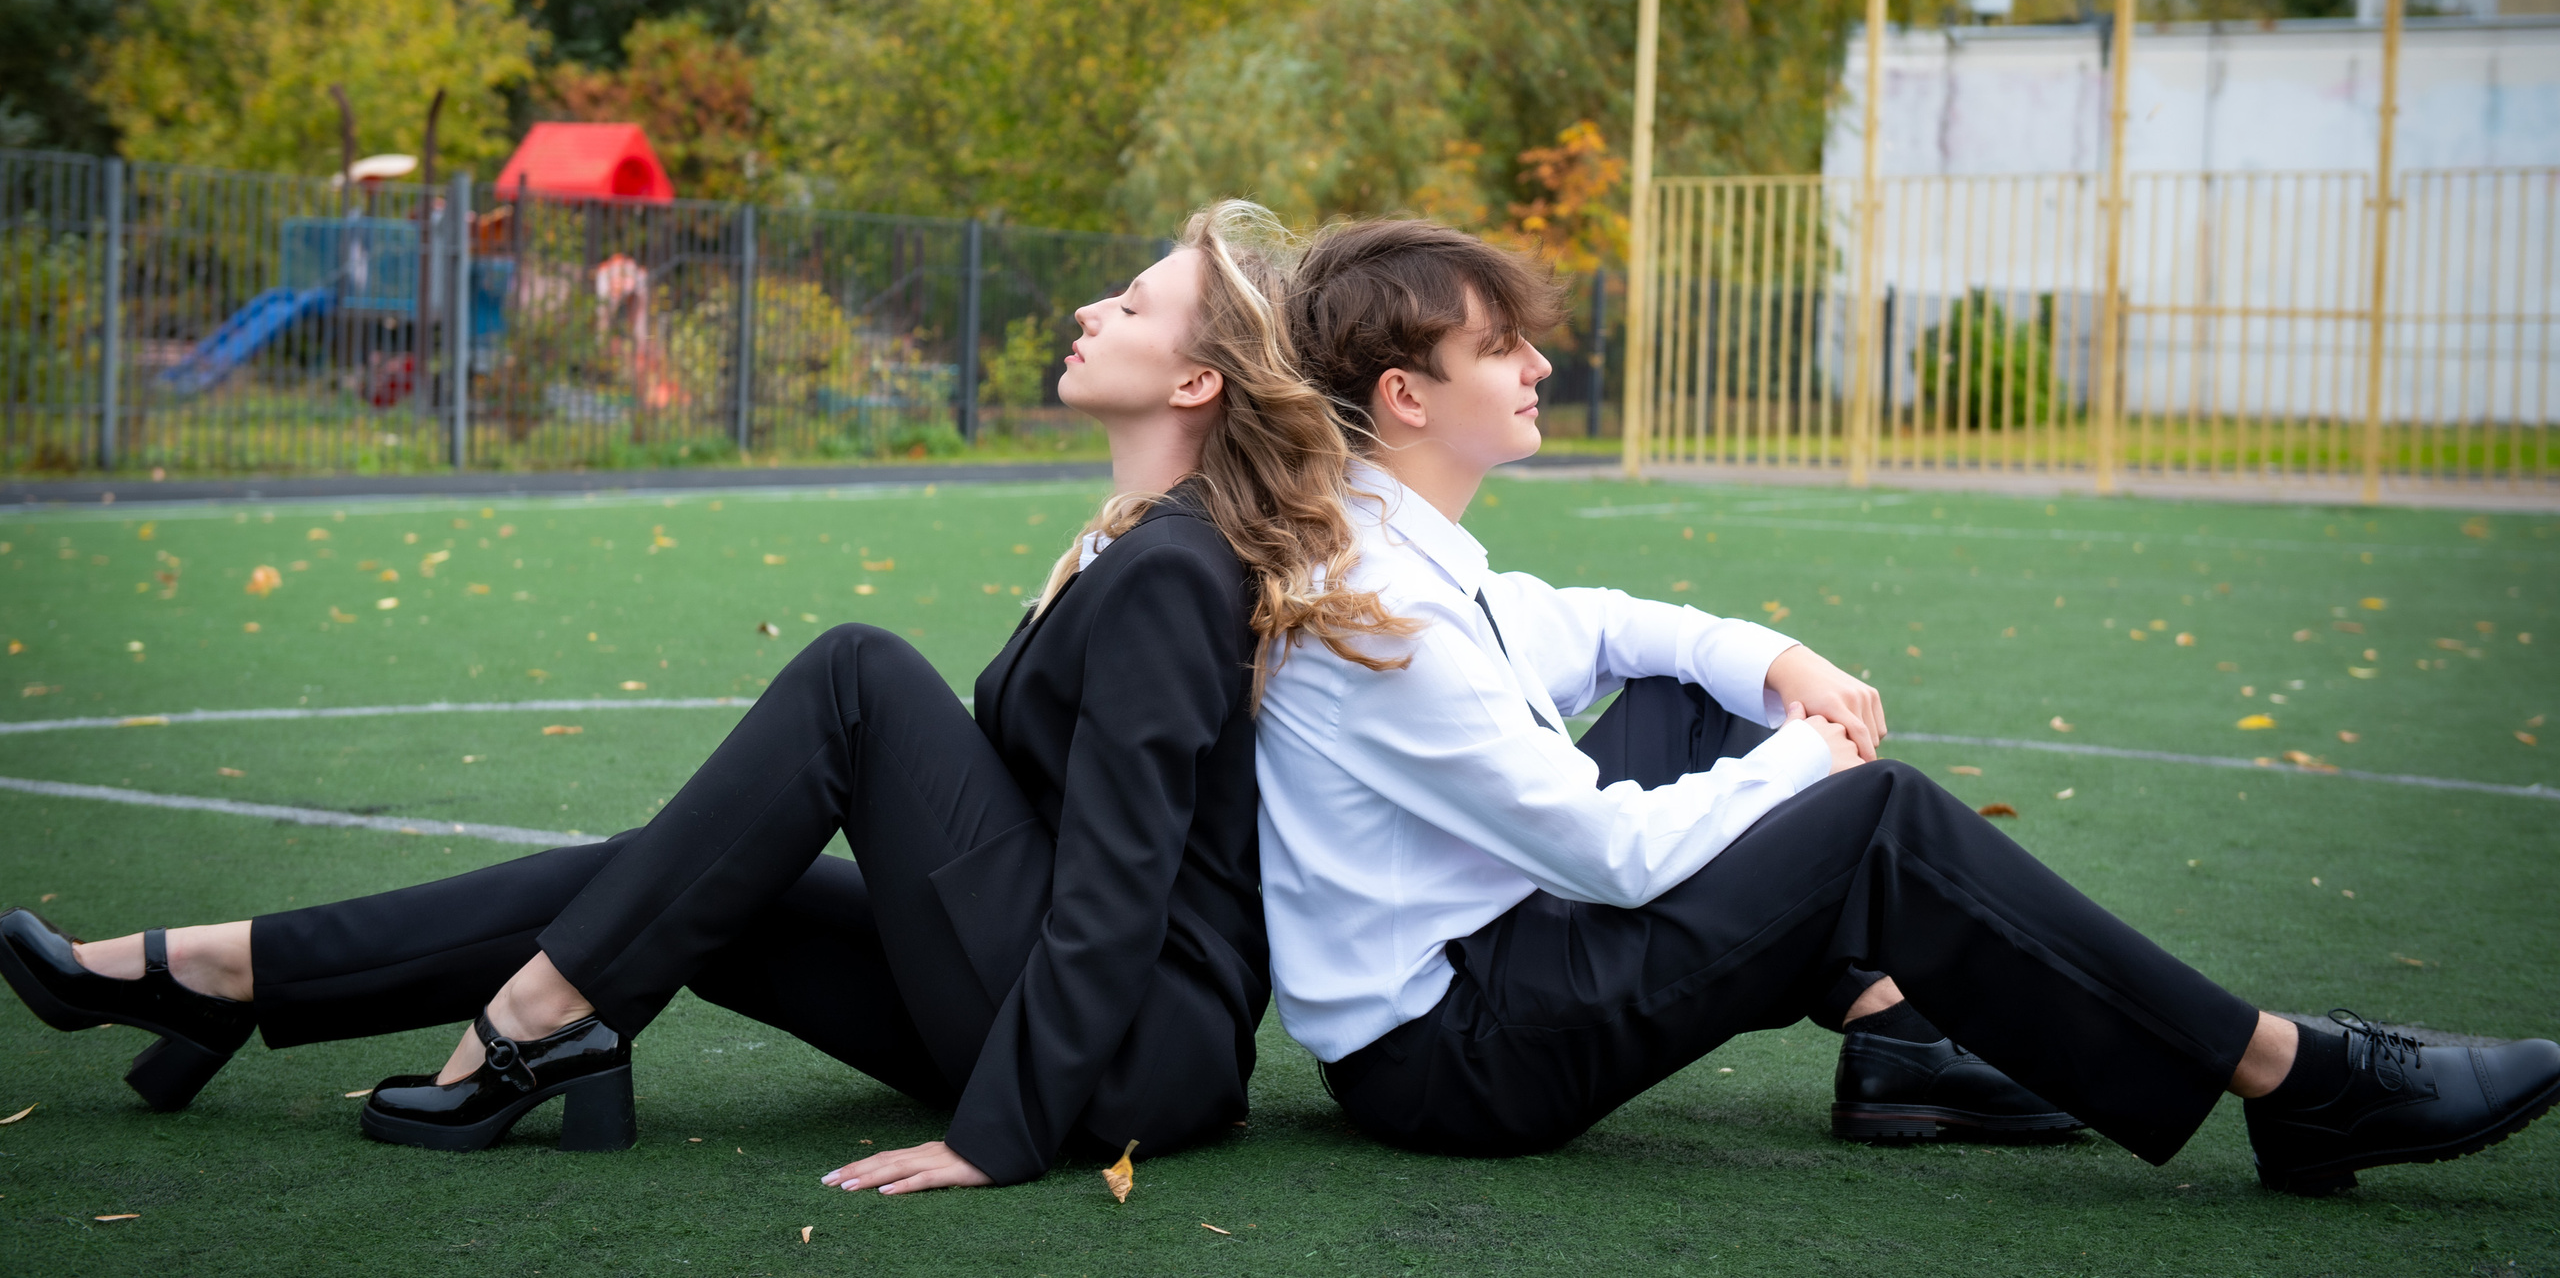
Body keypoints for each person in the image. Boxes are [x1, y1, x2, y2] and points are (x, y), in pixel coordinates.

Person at [0, 202, 1400, 1195]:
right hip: (1040, 993)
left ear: (1199, 376)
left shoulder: (1174, 568)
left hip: (1122, 1054)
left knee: (857, 669)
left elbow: (1120, 880)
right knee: (677, 882)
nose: (1096, 309)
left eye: (1135, 302)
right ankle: (220, 974)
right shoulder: (1130, 537)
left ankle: (535, 1013)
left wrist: (1008, 1131)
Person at [1259, 216, 2560, 1196]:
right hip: (1462, 1051)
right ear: (1408, 395)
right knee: (1871, 812)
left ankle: (1893, 1033)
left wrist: (1782, 667)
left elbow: (1598, 626)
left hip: (1499, 954)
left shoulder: (1413, 551)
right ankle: (2294, 1074)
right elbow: (1606, 848)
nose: (1543, 361)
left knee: (1692, 691)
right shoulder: (1391, 611)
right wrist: (1810, 758)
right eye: (1504, 346)